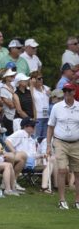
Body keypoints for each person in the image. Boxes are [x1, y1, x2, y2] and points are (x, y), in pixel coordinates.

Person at [46, 82, 79, 210]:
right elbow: (50, 127)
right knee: (61, 170)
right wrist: (48, 145)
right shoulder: (57, 107)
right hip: (60, 141)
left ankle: (77, 200)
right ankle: (62, 200)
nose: (67, 93)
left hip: (76, 143)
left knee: (77, 172)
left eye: (69, 91)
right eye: (65, 91)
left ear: (74, 92)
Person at [4, 117, 34, 192]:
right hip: (17, 157)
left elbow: (32, 154)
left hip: (28, 160)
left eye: (34, 126)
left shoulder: (32, 139)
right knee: (23, 155)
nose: (34, 128)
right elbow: (7, 141)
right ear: (25, 126)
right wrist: (13, 151)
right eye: (32, 126)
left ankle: (13, 182)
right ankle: (13, 182)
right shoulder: (21, 132)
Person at [30, 71, 50, 138]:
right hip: (38, 117)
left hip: (47, 116)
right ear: (34, 80)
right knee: (37, 137)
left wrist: (51, 94)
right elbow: (31, 99)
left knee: (45, 137)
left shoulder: (46, 88)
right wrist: (32, 84)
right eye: (39, 78)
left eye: (42, 78)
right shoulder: (31, 89)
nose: (41, 80)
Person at [0, 68, 17, 135]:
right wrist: (17, 102)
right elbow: (11, 106)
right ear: (6, 78)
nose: (13, 77)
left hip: (15, 116)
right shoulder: (3, 89)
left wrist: (13, 101)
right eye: (11, 76)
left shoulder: (13, 87)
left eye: (13, 75)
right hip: (7, 117)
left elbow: (14, 103)